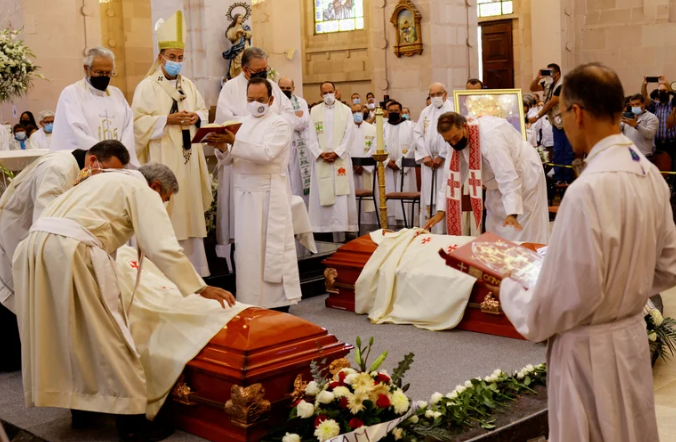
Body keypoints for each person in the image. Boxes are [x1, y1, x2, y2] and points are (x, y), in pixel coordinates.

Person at [499, 62, 676, 442]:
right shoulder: (650, 176)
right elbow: (668, 267)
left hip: (588, 351)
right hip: (628, 338)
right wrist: (625, 288)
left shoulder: (586, 191)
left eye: (561, 113)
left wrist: (508, 285)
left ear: (576, 112)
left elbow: (562, 297)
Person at [13, 162, 235, 441]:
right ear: (156, 187)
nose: (163, 204)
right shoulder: (140, 189)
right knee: (110, 336)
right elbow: (160, 246)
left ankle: (82, 410)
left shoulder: (101, 180)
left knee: (66, 334)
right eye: (165, 199)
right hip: (70, 251)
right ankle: (133, 425)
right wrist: (200, 288)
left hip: (35, 249)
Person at [0, 140, 130, 314]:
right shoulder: (57, 170)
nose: (107, 179)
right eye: (106, 172)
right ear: (92, 161)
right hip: (16, 244)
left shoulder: (80, 169)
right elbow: (48, 224)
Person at [205, 77, 301, 311]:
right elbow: (231, 160)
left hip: (268, 194)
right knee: (247, 252)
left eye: (260, 99)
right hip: (244, 195)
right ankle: (249, 300)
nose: (255, 103)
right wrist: (221, 148)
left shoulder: (278, 124)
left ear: (270, 99)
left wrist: (234, 141)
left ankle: (276, 302)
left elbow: (266, 153)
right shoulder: (242, 123)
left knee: (270, 249)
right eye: (250, 99)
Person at [132, 10, 213, 277]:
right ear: (161, 57)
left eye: (180, 58)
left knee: (188, 209)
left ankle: (195, 271)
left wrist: (196, 116)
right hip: (163, 155)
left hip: (189, 158)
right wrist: (167, 119)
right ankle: (164, 272)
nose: (177, 62)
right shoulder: (146, 86)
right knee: (168, 211)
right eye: (172, 57)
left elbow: (202, 110)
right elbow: (138, 122)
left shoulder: (188, 85)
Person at [215, 47, 296, 260]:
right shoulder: (231, 88)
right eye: (258, 71)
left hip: (269, 165)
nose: (263, 74)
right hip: (243, 169)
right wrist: (249, 124)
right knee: (244, 233)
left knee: (271, 235)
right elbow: (225, 121)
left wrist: (268, 123)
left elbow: (288, 115)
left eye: (265, 70)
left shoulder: (273, 90)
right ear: (245, 69)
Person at [424, 112, 548, 244]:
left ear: (464, 126)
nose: (453, 143)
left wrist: (512, 212)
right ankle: (498, 262)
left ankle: (526, 261)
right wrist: (441, 210)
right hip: (495, 183)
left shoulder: (490, 138)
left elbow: (507, 175)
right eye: (448, 141)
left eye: (455, 137)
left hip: (523, 175)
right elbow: (450, 177)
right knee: (494, 227)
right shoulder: (455, 140)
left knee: (522, 229)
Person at [50, 47, 138, 167]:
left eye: (108, 73)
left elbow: (128, 127)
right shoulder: (72, 93)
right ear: (87, 69)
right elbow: (74, 132)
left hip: (117, 164)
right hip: (90, 163)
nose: (104, 76)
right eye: (99, 72)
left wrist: (119, 154)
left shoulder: (117, 94)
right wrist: (105, 155)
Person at [308, 81, 358, 237]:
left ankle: (344, 229)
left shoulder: (346, 110)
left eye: (331, 91)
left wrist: (338, 152)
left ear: (336, 92)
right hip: (321, 160)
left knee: (341, 196)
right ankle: (323, 231)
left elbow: (350, 134)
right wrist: (319, 152)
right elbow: (310, 135)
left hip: (339, 159)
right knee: (322, 194)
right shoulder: (314, 111)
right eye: (325, 93)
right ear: (320, 94)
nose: (328, 95)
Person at [414, 82, 454, 233]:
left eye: (439, 94)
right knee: (429, 196)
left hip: (447, 161)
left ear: (445, 94)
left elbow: (454, 134)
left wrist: (442, 155)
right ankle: (428, 231)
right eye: (432, 95)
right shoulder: (425, 112)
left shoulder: (453, 109)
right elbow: (417, 133)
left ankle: (445, 230)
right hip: (428, 162)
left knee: (444, 192)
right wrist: (425, 155)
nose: (436, 98)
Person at [529, 64, 574, 183]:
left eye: (550, 73)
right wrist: (538, 78)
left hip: (568, 122)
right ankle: (559, 178)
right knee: (558, 150)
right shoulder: (548, 83)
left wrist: (537, 116)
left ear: (557, 74)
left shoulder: (563, 84)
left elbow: (551, 104)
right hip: (556, 122)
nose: (548, 76)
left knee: (568, 151)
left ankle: (568, 179)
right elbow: (533, 88)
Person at [383, 101, 417, 226]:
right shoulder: (381, 127)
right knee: (389, 194)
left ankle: (408, 224)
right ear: (386, 112)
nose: (393, 113)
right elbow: (377, 145)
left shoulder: (411, 126)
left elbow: (414, 145)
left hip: (404, 168)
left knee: (405, 194)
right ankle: (390, 224)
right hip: (388, 168)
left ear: (401, 112)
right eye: (390, 111)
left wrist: (399, 163)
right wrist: (387, 161)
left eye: (396, 111)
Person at [279, 76, 311, 205]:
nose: (285, 90)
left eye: (288, 88)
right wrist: (294, 115)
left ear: (293, 88)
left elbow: (302, 123)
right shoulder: (274, 102)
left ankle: (300, 214)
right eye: (282, 88)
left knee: (297, 183)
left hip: (298, 149)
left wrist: (284, 117)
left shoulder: (301, 102)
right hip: (281, 148)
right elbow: (274, 122)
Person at [349, 103, 377, 225]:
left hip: (367, 169)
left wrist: (362, 164)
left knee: (368, 201)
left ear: (363, 111)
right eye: (353, 112)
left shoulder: (372, 128)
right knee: (352, 198)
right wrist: (354, 164)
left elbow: (375, 147)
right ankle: (353, 225)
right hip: (351, 170)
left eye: (358, 111)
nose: (357, 114)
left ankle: (369, 224)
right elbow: (344, 147)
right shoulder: (346, 129)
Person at [641, 76, 676, 166]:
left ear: (668, 92)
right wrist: (644, 85)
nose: (661, 92)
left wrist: (666, 83)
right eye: (659, 91)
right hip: (658, 143)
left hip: (672, 142)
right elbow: (644, 98)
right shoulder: (656, 106)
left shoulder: (672, 104)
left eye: (664, 90)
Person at [222, 13, 252, 80]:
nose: (241, 19)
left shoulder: (245, 27)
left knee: (245, 62)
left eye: (242, 17)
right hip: (237, 49)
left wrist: (243, 32)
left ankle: (245, 77)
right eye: (239, 17)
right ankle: (236, 77)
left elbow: (250, 34)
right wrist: (236, 32)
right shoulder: (232, 29)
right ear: (236, 19)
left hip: (245, 47)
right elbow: (229, 36)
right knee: (237, 63)